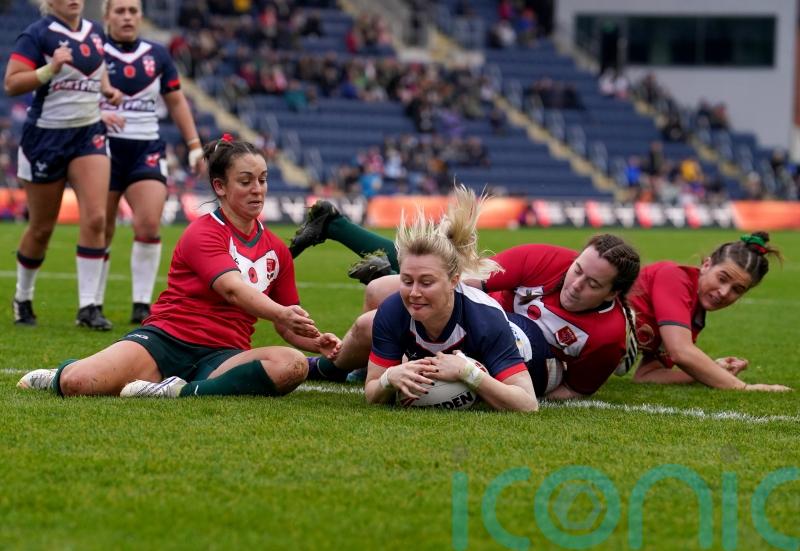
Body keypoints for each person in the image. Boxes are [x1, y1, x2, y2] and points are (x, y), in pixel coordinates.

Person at [17, 137, 341, 399]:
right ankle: (61, 373)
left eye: (263, 180)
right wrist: (281, 314)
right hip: (167, 341)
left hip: (224, 355)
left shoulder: (278, 251)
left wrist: (314, 342)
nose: (257, 189)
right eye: (246, 181)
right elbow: (232, 289)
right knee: (79, 383)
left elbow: (285, 323)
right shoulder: (203, 231)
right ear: (220, 187)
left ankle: (176, 391)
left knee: (293, 365)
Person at [292, 201, 640, 399]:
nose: (576, 283)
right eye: (577, 269)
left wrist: (486, 388)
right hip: (476, 317)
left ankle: (377, 362)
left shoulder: (607, 337)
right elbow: (462, 278)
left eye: (592, 283)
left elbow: (571, 391)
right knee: (380, 291)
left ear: (612, 294)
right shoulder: (544, 259)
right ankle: (375, 364)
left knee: (389, 300)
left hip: (513, 352)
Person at [359, 186, 538, 411]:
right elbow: (372, 391)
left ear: (454, 281)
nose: (414, 292)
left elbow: (528, 404)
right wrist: (389, 378)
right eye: (406, 281)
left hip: (535, 350)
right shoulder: (392, 310)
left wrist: (468, 373)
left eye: (426, 282)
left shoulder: (484, 319)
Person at [6, 0, 123, 329]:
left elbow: (96, 67)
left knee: (97, 217)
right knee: (42, 228)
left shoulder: (96, 32)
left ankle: (88, 307)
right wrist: (49, 69)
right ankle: (23, 297)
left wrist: (107, 90)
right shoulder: (36, 35)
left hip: (88, 135)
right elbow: (12, 83)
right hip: (45, 138)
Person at [96, 0, 205, 324]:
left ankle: (141, 304)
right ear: (106, 16)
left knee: (148, 224)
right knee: (101, 228)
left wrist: (194, 145)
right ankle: (92, 305)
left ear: (141, 16)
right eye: (120, 11)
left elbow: (176, 101)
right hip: (101, 148)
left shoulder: (157, 54)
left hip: (146, 148)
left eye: (133, 11)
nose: (127, 17)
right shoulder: (94, 51)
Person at [629, 233, 790, 392]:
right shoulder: (674, 277)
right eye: (722, 278)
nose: (725, 292)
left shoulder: (693, 318)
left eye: (737, 289)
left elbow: (647, 375)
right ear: (706, 265)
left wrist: (712, 371)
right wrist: (743, 387)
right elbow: (680, 351)